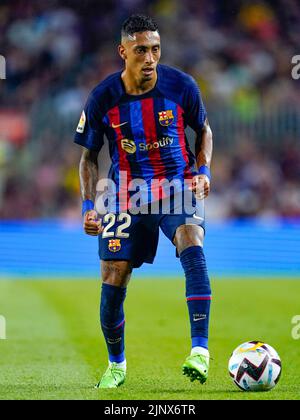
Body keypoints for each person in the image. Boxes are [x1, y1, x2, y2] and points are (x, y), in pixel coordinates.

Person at [74, 14, 213, 389]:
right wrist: (89, 208)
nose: (150, 58)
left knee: (191, 240)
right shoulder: (103, 96)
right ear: (124, 52)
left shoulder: (182, 85)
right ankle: (116, 363)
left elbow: (204, 131)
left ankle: (199, 350)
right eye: (141, 50)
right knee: (114, 275)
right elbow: (88, 157)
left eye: (155, 49)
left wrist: (204, 171)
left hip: (177, 187)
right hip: (126, 195)